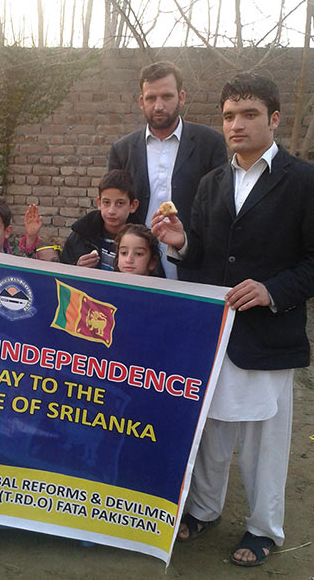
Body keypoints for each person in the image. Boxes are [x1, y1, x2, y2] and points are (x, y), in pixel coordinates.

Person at [151, 73, 314, 567]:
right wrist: (181, 242)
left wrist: (272, 291)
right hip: (215, 331)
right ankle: (202, 509)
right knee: (211, 429)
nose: (236, 125)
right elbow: (204, 255)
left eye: (248, 115)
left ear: (275, 119)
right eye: (228, 116)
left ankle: (264, 528)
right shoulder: (211, 182)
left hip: (268, 332)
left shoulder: (303, 181)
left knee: (265, 440)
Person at [108, 61, 227, 280]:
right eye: (151, 98)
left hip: (192, 263)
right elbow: (111, 205)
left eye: (167, 97)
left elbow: (218, 210)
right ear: (141, 102)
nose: (159, 106)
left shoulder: (210, 144)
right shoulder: (122, 149)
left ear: (181, 97)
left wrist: (186, 243)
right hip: (137, 266)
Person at [61, 169, 140, 270]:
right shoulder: (81, 235)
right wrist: (77, 268)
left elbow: (154, 278)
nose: (111, 211)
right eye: (106, 202)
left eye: (120, 203)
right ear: (99, 203)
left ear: (133, 205)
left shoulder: (143, 240)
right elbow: (62, 272)